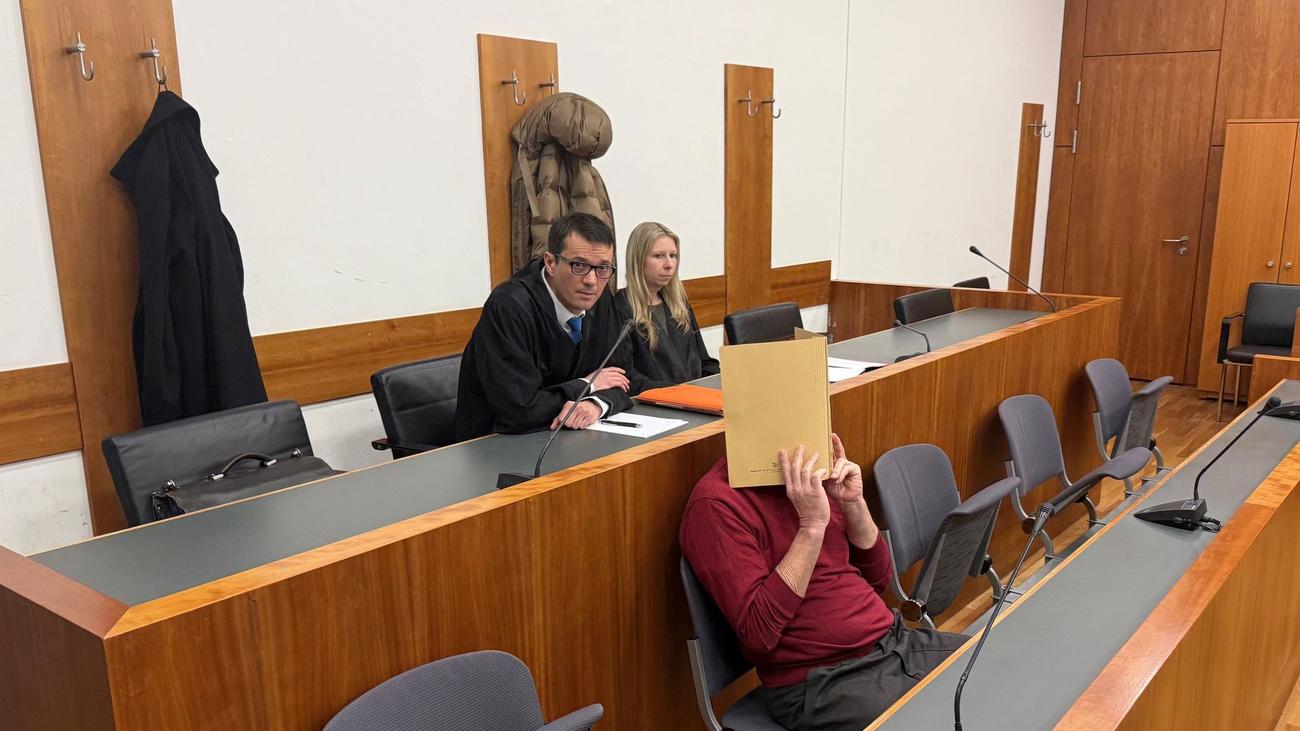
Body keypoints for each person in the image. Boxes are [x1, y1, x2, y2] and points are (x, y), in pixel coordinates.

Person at [679, 436, 967, 730]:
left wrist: (853, 503)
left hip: (893, 643)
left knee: (989, 671)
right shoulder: (715, 504)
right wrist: (812, 527)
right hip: (820, 682)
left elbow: (880, 578)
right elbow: (758, 633)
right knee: (939, 720)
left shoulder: (812, 471)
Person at [454, 213, 644, 441]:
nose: (592, 281)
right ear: (550, 263)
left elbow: (622, 378)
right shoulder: (509, 307)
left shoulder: (598, 299)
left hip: (572, 437)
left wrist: (596, 403)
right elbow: (519, 410)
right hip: (495, 445)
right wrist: (587, 385)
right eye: (579, 265)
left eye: (603, 268)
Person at [614, 222, 719, 389]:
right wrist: (678, 392)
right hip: (656, 401)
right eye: (658, 256)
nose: (669, 264)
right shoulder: (620, 308)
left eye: (673, 255)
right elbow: (628, 378)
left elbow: (704, 361)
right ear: (638, 259)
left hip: (697, 397)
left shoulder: (679, 304)